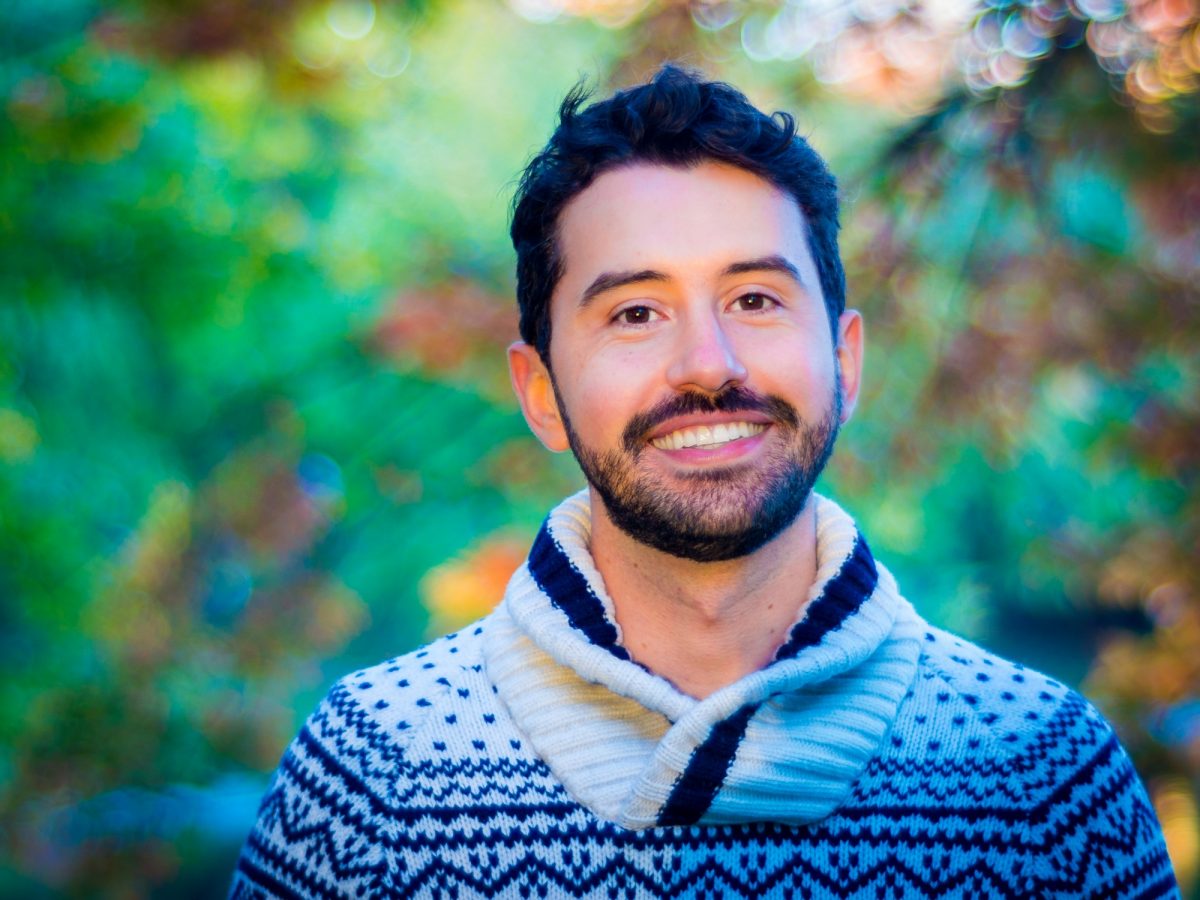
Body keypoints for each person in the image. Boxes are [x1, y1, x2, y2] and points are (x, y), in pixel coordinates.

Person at [230, 66, 1179, 898]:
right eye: (635, 313)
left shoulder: (1042, 773)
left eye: (755, 299)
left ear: (845, 361)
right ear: (542, 393)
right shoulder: (374, 775)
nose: (707, 364)